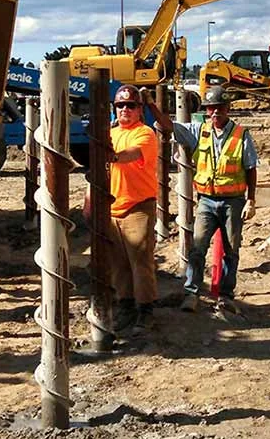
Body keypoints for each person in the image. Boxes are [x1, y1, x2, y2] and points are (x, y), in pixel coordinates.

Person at [145, 85, 257, 314]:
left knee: (231, 250)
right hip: (206, 200)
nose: (216, 112)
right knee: (197, 248)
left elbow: (251, 168)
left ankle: (225, 296)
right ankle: (191, 293)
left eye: (220, 108)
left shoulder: (241, 135)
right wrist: (149, 104)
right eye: (212, 108)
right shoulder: (199, 131)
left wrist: (251, 200)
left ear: (227, 109)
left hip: (233, 201)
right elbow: (168, 126)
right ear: (207, 111)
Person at [107, 84, 159, 333]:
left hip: (138, 207)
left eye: (130, 105)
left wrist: (110, 155)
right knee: (119, 264)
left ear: (140, 109)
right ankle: (125, 306)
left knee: (140, 260)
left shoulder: (145, 133)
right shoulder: (112, 133)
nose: (125, 109)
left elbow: (131, 154)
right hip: (114, 206)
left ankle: (145, 310)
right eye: (120, 105)